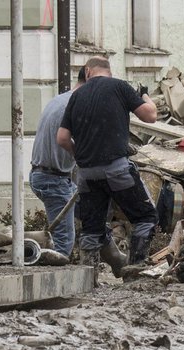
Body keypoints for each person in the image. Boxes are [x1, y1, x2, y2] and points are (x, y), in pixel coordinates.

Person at [56, 56, 158, 279]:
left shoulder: (77, 96)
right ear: (108, 71)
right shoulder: (120, 87)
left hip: (87, 175)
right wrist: (144, 95)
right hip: (117, 170)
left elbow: (62, 138)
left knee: (92, 228)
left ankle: (88, 278)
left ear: (88, 71)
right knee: (145, 218)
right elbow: (150, 115)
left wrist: (81, 157)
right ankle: (135, 272)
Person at [29, 68, 84, 258]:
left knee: (89, 213)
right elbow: (70, 140)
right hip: (52, 178)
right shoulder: (74, 105)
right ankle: (58, 277)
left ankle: (113, 259)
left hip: (47, 174)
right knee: (65, 239)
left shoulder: (61, 99)